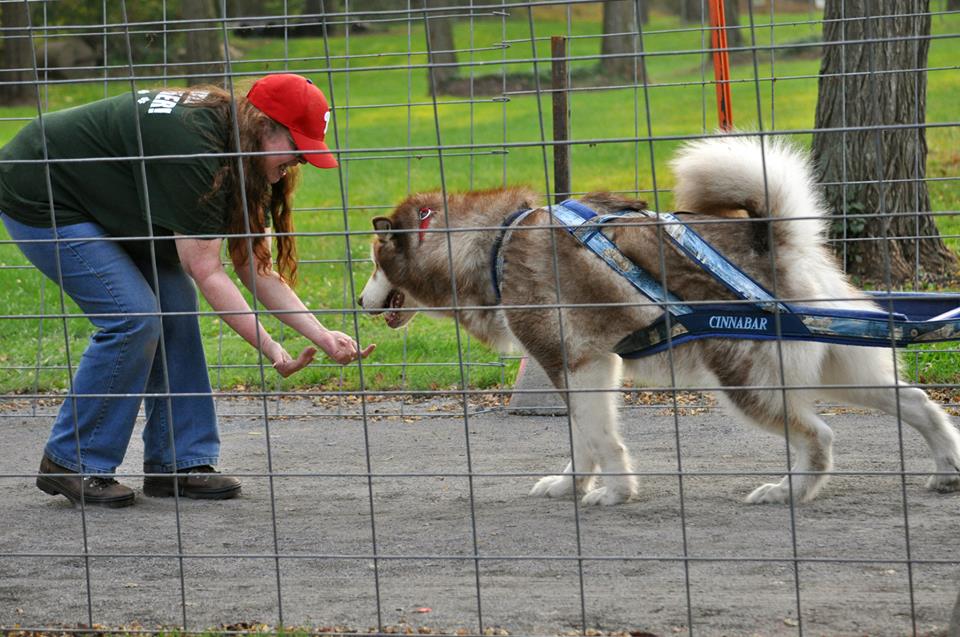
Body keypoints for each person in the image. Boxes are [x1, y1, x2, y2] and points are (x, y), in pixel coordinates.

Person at [0, 73, 374, 508]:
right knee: (134, 317)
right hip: (44, 191)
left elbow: (255, 267)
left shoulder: (239, 151)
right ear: (264, 126)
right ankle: (74, 461)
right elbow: (207, 271)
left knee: (174, 308)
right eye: (297, 149)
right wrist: (273, 349)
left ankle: (179, 462)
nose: (299, 164)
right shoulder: (198, 152)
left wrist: (321, 336)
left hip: (114, 201)